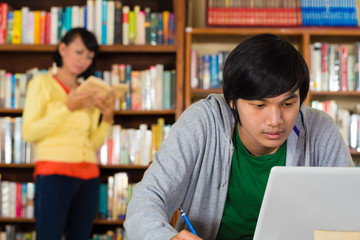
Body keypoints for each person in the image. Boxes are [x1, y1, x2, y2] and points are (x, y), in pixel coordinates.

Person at [124, 33, 354, 240]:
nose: (275, 120)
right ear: (232, 101)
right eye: (259, 105)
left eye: (288, 103)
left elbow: (349, 210)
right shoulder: (202, 122)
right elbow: (145, 201)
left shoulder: (320, 129)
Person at [22, 28, 115, 240]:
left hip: (89, 176)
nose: (83, 60)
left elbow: (91, 143)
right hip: (54, 174)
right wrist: (68, 108)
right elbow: (29, 132)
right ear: (62, 49)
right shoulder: (42, 83)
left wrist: (107, 119)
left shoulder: (88, 89)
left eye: (90, 56)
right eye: (79, 52)